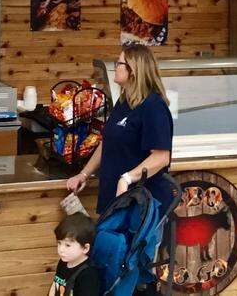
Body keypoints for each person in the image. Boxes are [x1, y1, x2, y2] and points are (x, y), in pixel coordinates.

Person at [66, 44, 174, 215]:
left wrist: (127, 178)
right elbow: (108, 142)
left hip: (140, 204)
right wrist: (83, 174)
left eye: (119, 63)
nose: (115, 67)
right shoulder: (124, 102)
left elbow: (161, 157)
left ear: (134, 70)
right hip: (115, 200)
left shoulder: (153, 106)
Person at [49, 213, 101, 296]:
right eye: (59, 243)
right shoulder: (63, 262)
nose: (61, 249)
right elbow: (55, 285)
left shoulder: (88, 275)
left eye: (67, 245)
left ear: (85, 248)